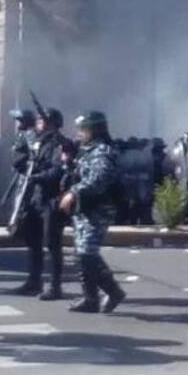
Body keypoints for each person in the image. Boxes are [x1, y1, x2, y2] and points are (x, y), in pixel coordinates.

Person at [59, 111, 126, 313]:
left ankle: (107, 293)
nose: (79, 133)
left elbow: (99, 180)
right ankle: (93, 296)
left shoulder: (102, 151)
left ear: (94, 130)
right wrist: (68, 161)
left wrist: (73, 192)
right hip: (85, 208)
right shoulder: (87, 150)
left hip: (98, 208)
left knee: (87, 252)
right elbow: (79, 172)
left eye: (83, 129)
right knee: (82, 254)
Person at [12, 108, 73, 300]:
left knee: (52, 244)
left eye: (42, 121)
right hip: (35, 197)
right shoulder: (38, 142)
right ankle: (34, 280)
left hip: (52, 198)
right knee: (33, 241)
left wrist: (36, 177)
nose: (39, 124)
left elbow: (58, 171)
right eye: (38, 121)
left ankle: (55, 286)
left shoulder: (61, 144)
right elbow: (26, 161)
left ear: (52, 123)